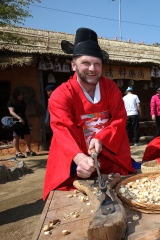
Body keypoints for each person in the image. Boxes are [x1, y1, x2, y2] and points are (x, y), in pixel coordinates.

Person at [43, 28, 134, 200]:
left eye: (97, 64)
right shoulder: (61, 94)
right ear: (73, 65)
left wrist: (102, 137)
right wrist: (78, 157)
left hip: (108, 153)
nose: (92, 69)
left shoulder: (111, 88)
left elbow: (120, 118)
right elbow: (62, 129)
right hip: (74, 159)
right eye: (86, 63)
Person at [7, 89, 37, 158]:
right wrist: (19, 118)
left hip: (24, 120)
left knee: (28, 134)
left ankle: (28, 150)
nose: (21, 96)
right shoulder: (11, 103)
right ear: (16, 95)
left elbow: (25, 112)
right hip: (16, 121)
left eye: (22, 95)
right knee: (16, 136)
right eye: (20, 95)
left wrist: (28, 121)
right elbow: (11, 112)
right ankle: (17, 152)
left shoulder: (22, 103)